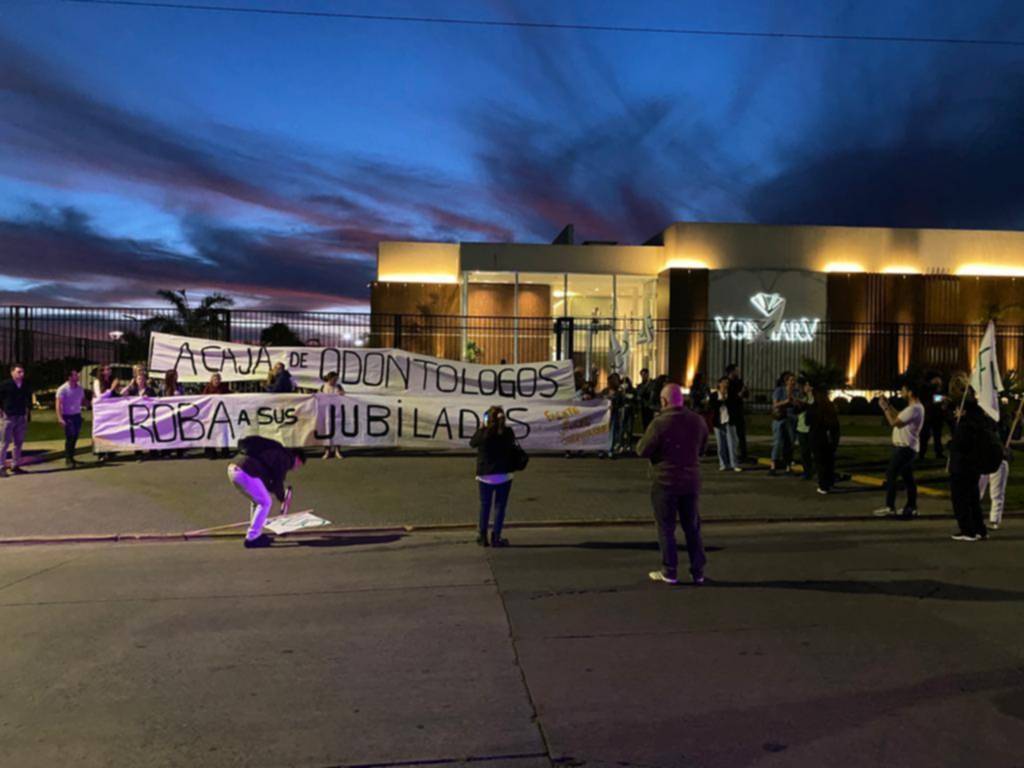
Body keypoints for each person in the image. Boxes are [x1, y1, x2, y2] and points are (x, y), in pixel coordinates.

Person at [637, 382, 709, 586]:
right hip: (691, 481)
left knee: (666, 528)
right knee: (692, 527)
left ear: (664, 401)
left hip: (665, 481)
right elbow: (702, 448)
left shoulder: (660, 423)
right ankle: (698, 571)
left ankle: (670, 570)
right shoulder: (698, 421)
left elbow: (642, 450)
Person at [227, 436, 306, 549]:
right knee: (265, 502)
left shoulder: (278, 453)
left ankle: (256, 533)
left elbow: (270, 482)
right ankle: (252, 537)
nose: (296, 468)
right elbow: (277, 481)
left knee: (258, 501)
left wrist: (279, 494)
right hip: (245, 470)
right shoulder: (285, 458)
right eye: (299, 465)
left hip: (234, 468)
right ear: (297, 459)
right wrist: (282, 498)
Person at [873, 380, 925, 519]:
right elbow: (898, 416)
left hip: (905, 448)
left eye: (903, 390)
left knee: (891, 474)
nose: (901, 393)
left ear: (910, 392)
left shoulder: (914, 409)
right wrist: (889, 405)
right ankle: (911, 507)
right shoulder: (914, 408)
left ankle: (890, 507)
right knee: (908, 478)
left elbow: (894, 422)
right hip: (907, 447)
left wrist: (884, 408)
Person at [947, 376, 989, 541]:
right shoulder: (978, 411)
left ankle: (967, 530)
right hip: (974, 462)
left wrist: (951, 443)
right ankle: (980, 529)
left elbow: (962, 440)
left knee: (960, 497)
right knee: (972, 496)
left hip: (963, 462)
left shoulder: (966, 415)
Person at [470, 405, 518, 547]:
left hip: (485, 476)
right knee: (500, 507)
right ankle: (496, 537)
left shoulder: (483, 433)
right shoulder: (508, 432)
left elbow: (472, 443)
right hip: (504, 475)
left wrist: (481, 427)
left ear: (487, 419)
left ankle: (483, 536)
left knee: (485, 505)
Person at [978, 403, 1012, 530]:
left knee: (997, 492)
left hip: (999, 461)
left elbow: (1012, 434)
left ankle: (994, 520)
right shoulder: (982, 425)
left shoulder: (1001, 427)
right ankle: (974, 517)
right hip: (984, 460)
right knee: (977, 490)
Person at [807, 385, 840, 494]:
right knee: (829, 461)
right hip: (830, 436)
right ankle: (830, 481)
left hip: (817, 436)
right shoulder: (830, 406)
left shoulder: (814, 406)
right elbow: (836, 424)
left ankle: (823, 486)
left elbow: (807, 421)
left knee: (820, 462)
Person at [0, 363, 32, 477]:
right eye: (19, 372)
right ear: (12, 372)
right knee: (4, 443)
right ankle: (1, 467)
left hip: (20, 416)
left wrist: (27, 413)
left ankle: (15, 465)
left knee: (18, 443)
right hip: (9, 416)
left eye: (22, 372)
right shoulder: (5, 385)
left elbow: (28, 399)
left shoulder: (25, 384)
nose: (21, 374)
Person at [708, 376, 741, 472]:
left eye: (727, 383)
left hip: (729, 421)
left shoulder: (731, 394)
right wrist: (720, 400)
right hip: (718, 422)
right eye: (724, 382)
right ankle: (723, 464)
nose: (726, 385)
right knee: (721, 445)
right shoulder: (714, 395)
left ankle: (734, 464)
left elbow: (735, 405)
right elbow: (712, 406)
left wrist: (726, 399)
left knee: (732, 444)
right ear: (719, 384)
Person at [56, 369, 86, 468]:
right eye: (75, 375)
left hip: (77, 415)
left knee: (75, 437)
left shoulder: (80, 389)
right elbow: (58, 404)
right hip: (67, 415)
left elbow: (83, 401)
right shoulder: (63, 389)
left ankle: (72, 456)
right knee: (70, 436)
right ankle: (68, 458)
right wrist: (60, 418)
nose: (77, 377)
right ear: (69, 377)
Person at [769, 371, 797, 475]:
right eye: (791, 380)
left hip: (792, 419)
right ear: (786, 381)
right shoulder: (779, 390)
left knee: (789, 443)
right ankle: (773, 465)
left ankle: (788, 466)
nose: (793, 382)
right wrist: (786, 402)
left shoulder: (796, 392)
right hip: (780, 419)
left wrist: (794, 401)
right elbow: (775, 404)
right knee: (777, 442)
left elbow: (797, 403)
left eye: (794, 380)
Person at [202, 373, 232, 459]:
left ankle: (225, 452)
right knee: (210, 433)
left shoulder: (223, 388)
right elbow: (203, 399)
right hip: (210, 415)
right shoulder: (207, 388)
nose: (216, 381)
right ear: (211, 380)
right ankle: (210, 453)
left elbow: (231, 397)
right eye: (215, 379)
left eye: (218, 379)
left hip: (221, 415)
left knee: (223, 433)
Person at [919, 374, 947, 460]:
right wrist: (942, 398)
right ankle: (922, 453)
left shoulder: (939, 390)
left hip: (937, 416)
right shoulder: (928, 388)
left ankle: (938, 453)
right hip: (929, 415)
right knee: (925, 436)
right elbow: (931, 398)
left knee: (937, 436)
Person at [319, 371, 346, 459]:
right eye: (334, 379)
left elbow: (344, 396)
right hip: (326, 411)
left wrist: (342, 394)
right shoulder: (323, 387)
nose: (335, 381)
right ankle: (327, 451)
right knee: (326, 431)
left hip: (337, 412)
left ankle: (337, 450)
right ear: (329, 378)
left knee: (337, 430)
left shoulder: (338, 386)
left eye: (336, 379)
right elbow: (318, 397)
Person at [725, 364, 749, 462]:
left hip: (739, 411)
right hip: (730, 412)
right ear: (731, 372)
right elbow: (727, 398)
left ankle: (743, 455)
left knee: (741, 434)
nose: (738, 372)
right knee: (731, 435)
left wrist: (746, 391)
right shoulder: (726, 383)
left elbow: (745, 396)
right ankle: (730, 455)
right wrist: (738, 395)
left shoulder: (739, 382)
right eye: (736, 371)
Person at [793, 377, 815, 480]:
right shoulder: (801, 396)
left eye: (806, 385)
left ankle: (814, 470)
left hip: (811, 428)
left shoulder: (812, 396)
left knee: (813, 451)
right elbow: (797, 410)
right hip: (801, 428)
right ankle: (807, 472)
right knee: (804, 452)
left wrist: (809, 394)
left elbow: (812, 405)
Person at [601, 373, 623, 458]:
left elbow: (621, 403)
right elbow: (599, 400)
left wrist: (615, 405)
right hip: (604, 415)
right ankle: (602, 449)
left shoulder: (618, 392)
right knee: (603, 432)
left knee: (612, 432)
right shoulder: (605, 391)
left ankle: (610, 449)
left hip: (614, 414)